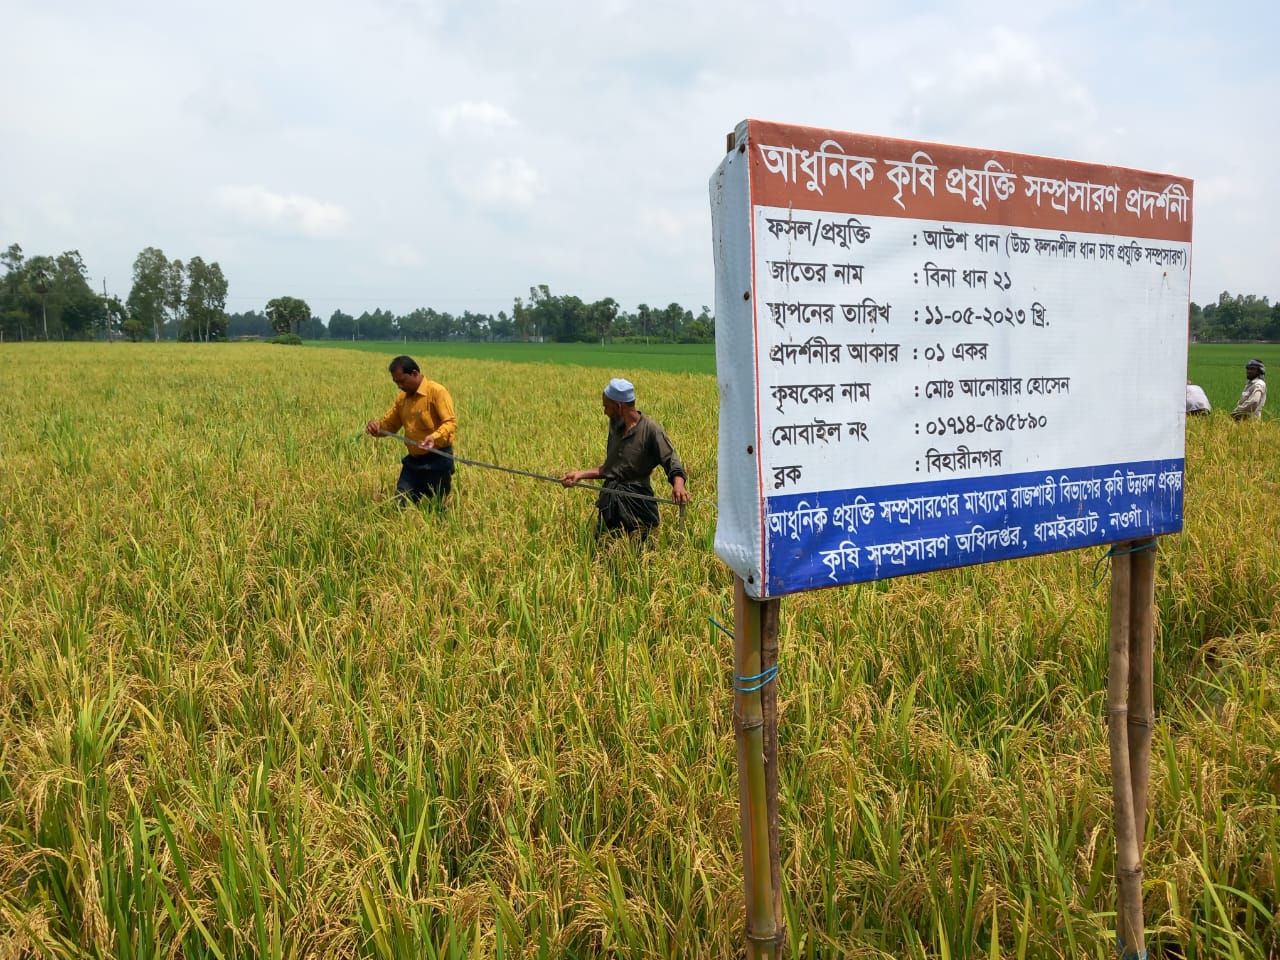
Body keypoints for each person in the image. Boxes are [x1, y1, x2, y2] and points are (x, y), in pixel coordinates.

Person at [560, 377, 691, 539]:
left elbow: (672, 461)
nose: (605, 412)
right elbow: (611, 470)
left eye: (606, 407)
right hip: (610, 506)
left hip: (637, 508)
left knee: (639, 548)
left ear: (619, 406)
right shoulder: (616, 429)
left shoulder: (651, 430)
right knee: (606, 547)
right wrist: (579, 474)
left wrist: (679, 485)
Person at [365, 355, 457, 505]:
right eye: (396, 382)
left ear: (414, 373)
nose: (399, 386)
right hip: (413, 462)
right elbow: (390, 426)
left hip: (438, 460)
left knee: (437, 507)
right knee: (401, 502)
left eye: (402, 381)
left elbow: (450, 423)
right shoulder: (402, 399)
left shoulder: (437, 392)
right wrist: (376, 428)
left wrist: (433, 437)